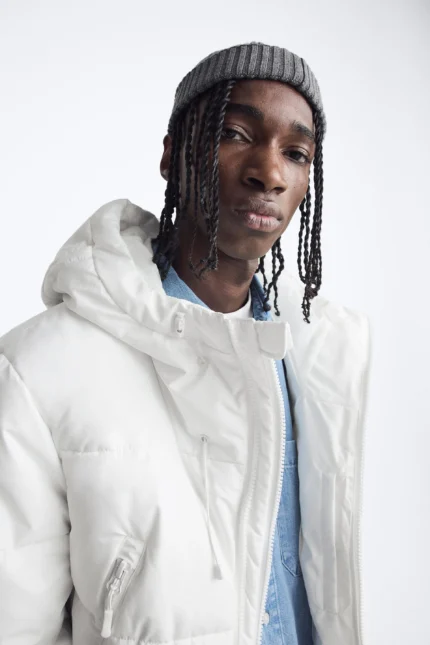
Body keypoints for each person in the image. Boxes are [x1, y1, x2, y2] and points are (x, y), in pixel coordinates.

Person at [0, 42, 371, 645]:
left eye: (296, 153)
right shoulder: (39, 369)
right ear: (172, 155)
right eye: (235, 134)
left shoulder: (325, 358)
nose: (269, 173)